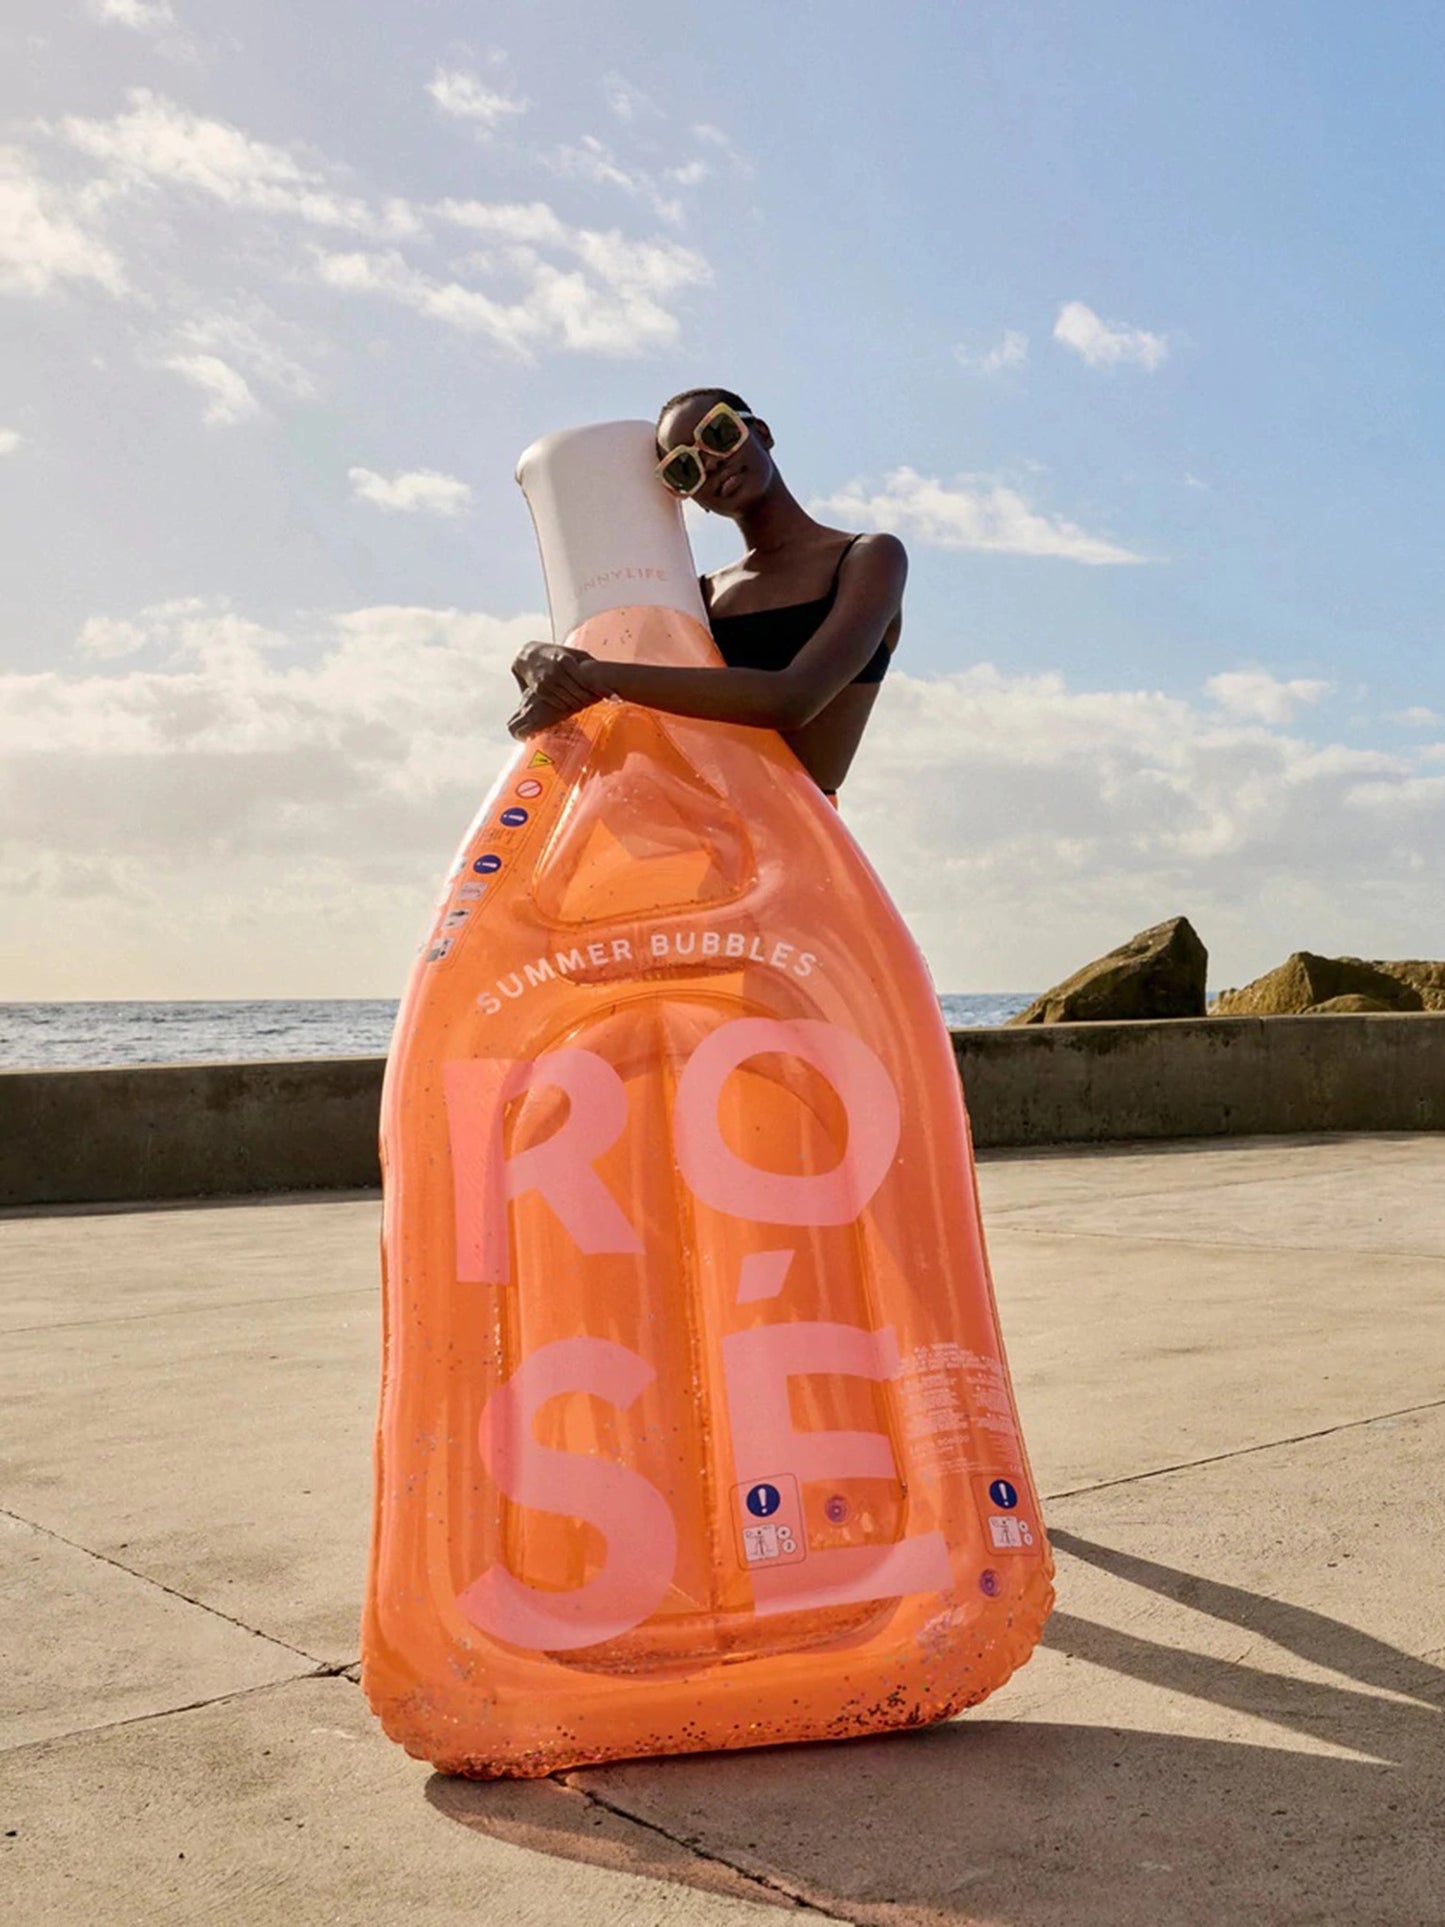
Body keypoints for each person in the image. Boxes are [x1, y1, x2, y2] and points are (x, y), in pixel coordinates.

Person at [508, 388, 906, 803]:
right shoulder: (698, 599)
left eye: (718, 434)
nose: (711, 463)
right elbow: (600, 709)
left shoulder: (870, 557)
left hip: (800, 832)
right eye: (686, 467)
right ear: (687, 495)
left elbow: (794, 699)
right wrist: (533, 661)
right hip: (690, 822)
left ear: (761, 433)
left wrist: (595, 677)